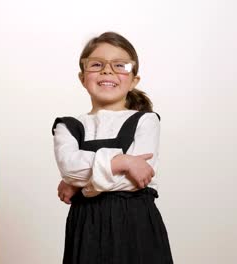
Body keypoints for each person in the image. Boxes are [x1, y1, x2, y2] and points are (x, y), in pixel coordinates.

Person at [52, 32, 173, 264]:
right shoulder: (67, 126)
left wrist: (82, 185)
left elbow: (137, 180)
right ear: (82, 77)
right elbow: (69, 168)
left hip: (137, 224)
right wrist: (123, 162)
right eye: (97, 64)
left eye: (120, 65)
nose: (108, 71)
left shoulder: (146, 121)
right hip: (87, 225)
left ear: (134, 79)